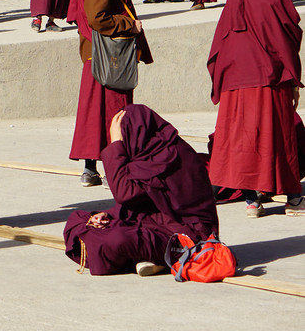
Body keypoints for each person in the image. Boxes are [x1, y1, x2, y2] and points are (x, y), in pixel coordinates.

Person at [207, 0, 305, 218]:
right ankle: (294, 199)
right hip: (268, 78)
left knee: (245, 140)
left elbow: (221, 38)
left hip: (236, 79)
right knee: (279, 136)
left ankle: (252, 201)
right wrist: (293, 79)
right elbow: (287, 40)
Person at [63, 105, 219, 276]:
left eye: (124, 138)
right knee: (79, 220)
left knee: (117, 240)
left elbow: (123, 193)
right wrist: (110, 214)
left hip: (188, 237)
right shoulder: (149, 151)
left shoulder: (170, 156)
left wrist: (116, 145)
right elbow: (142, 198)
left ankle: (168, 256)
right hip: (156, 221)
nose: (125, 145)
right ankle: (155, 258)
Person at [67, 0, 152, 187]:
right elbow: (97, 19)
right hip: (107, 56)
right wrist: (130, 25)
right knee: (114, 111)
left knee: (97, 112)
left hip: (100, 55)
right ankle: (114, 169)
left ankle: (91, 169)